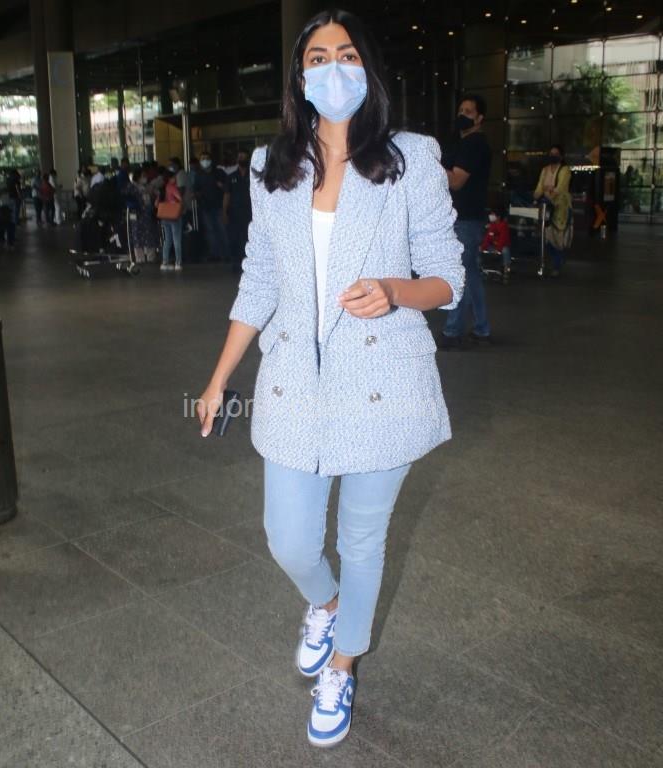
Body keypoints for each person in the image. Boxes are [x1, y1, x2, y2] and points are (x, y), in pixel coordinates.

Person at [195, 8, 463, 749]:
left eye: (346, 54)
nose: (333, 68)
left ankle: (342, 666)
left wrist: (394, 289)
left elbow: (448, 276)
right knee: (288, 540)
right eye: (317, 57)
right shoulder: (271, 167)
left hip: (383, 381)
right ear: (299, 76)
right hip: (294, 381)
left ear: (367, 68)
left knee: (363, 539)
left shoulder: (409, 158)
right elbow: (258, 281)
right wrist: (218, 380)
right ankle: (327, 604)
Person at [440, 93, 492, 347]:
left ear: (480, 118)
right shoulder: (463, 144)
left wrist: (431, 165)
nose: (462, 115)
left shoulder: (474, 144)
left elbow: (456, 181)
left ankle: (453, 331)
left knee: (461, 274)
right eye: (461, 110)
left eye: (469, 112)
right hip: (466, 218)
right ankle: (481, 328)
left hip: (466, 219)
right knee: (470, 274)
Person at [533, 144, 573, 277]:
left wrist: (549, 193)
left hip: (561, 208)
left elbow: (560, 188)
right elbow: (539, 188)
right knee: (547, 237)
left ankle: (557, 264)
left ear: (561, 156)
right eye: (551, 154)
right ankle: (556, 263)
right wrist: (535, 197)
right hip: (547, 207)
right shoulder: (544, 170)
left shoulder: (565, 170)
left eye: (556, 154)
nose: (553, 156)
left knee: (559, 238)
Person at [195, 151, 230, 261]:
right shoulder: (199, 175)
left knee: (222, 230)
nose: (205, 161)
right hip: (205, 207)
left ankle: (226, 254)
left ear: (211, 160)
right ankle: (214, 254)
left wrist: (221, 186)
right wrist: (197, 195)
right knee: (210, 231)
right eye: (202, 159)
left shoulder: (219, 172)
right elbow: (196, 189)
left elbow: (228, 188)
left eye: (206, 158)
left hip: (219, 206)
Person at [223, 150, 252, 274]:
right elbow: (226, 195)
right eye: (240, 157)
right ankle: (235, 263)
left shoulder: (253, 176)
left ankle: (247, 263)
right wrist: (224, 212)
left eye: (244, 157)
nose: (242, 159)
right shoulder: (231, 177)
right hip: (234, 213)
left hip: (249, 213)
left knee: (247, 239)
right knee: (234, 239)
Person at [130, 167, 159, 263]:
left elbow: (157, 194)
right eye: (143, 176)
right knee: (137, 237)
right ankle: (140, 259)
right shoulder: (132, 187)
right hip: (136, 216)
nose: (145, 178)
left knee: (149, 235)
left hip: (147, 215)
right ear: (137, 177)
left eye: (145, 176)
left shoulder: (149, 186)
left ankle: (151, 257)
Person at [157, 165, 183, 271]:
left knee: (167, 240)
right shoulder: (172, 187)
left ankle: (165, 262)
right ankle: (178, 263)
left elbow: (156, 204)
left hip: (164, 217)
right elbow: (180, 199)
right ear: (170, 178)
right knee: (177, 240)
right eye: (174, 177)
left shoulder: (162, 188)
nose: (175, 178)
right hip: (174, 216)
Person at [481, 207, 512, 283]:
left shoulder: (503, 225)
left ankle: (506, 270)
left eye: (493, 214)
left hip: (501, 247)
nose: (491, 216)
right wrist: (482, 247)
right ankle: (481, 269)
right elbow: (488, 238)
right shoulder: (492, 225)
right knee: (480, 250)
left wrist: (498, 249)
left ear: (498, 217)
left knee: (505, 251)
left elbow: (503, 239)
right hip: (493, 246)